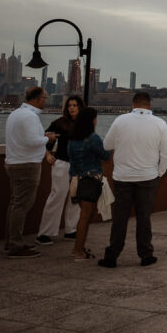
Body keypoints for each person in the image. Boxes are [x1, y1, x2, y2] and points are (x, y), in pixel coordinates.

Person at [98, 92, 167, 268]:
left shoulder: (120, 121)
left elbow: (107, 145)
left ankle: (112, 255)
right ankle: (145, 254)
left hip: (122, 177)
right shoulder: (160, 124)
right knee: (144, 217)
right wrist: (159, 173)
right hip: (148, 177)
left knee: (120, 217)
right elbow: (166, 153)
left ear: (133, 104)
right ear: (150, 105)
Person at [4, 87, 56, 258]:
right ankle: (15, 245)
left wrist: (42, 136)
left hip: (14, 162)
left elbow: (26, 138)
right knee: (22, 205)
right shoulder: (29, 116)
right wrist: (48, 138)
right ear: (37, 98)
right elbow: (32, 141)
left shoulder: (16, 114)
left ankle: (11, 241)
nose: (45, 100)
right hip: (26, 165)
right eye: (44, 98)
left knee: (15, 204)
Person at [36, 95, 84, 245]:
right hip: (62, 163)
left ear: (80, 107)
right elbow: (42, 138)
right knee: (57, 196)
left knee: (75, 198)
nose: (72, 108)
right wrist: (47, 154)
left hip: (79, 165)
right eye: (70, 105)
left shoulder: (85, 124)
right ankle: (44, 233)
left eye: (75, 105)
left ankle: (71, 230)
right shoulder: (59, 123)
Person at [67, 107, 109, 261]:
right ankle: (78, 251)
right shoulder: (93, 138)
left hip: (76, 179)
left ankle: (80, 247)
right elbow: (105, 155)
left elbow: (71, 160)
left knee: (83, 216)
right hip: (91, 180)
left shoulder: (72, 139)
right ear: (92, 120)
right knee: (85, 217)